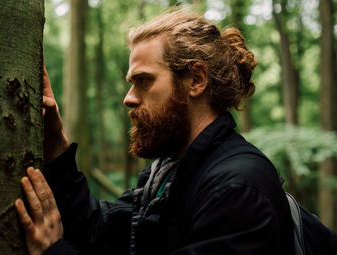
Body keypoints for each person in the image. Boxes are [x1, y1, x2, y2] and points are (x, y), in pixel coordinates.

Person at [15, 10, 295, 255]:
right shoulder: (168, 175)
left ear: (196, 80)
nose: (129, 98)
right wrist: (57, 150)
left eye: (143, 81)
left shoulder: (237, 189)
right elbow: (101, 233)